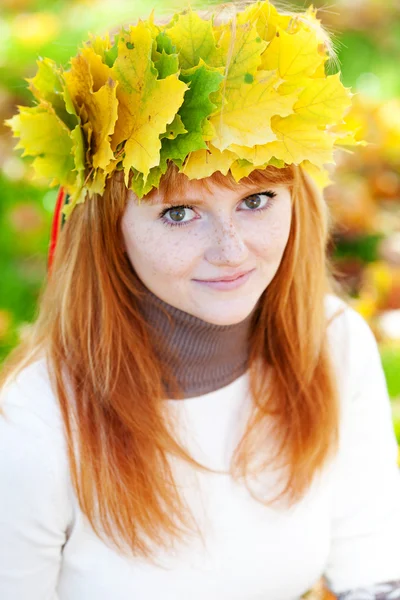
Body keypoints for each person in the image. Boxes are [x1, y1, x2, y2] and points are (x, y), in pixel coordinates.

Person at [1, 1, 400, 599]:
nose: (230, 250)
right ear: (110, 229)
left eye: (256, 200)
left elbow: (375, 573)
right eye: (180, 212)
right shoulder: (39, 421)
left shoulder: (331, 342)